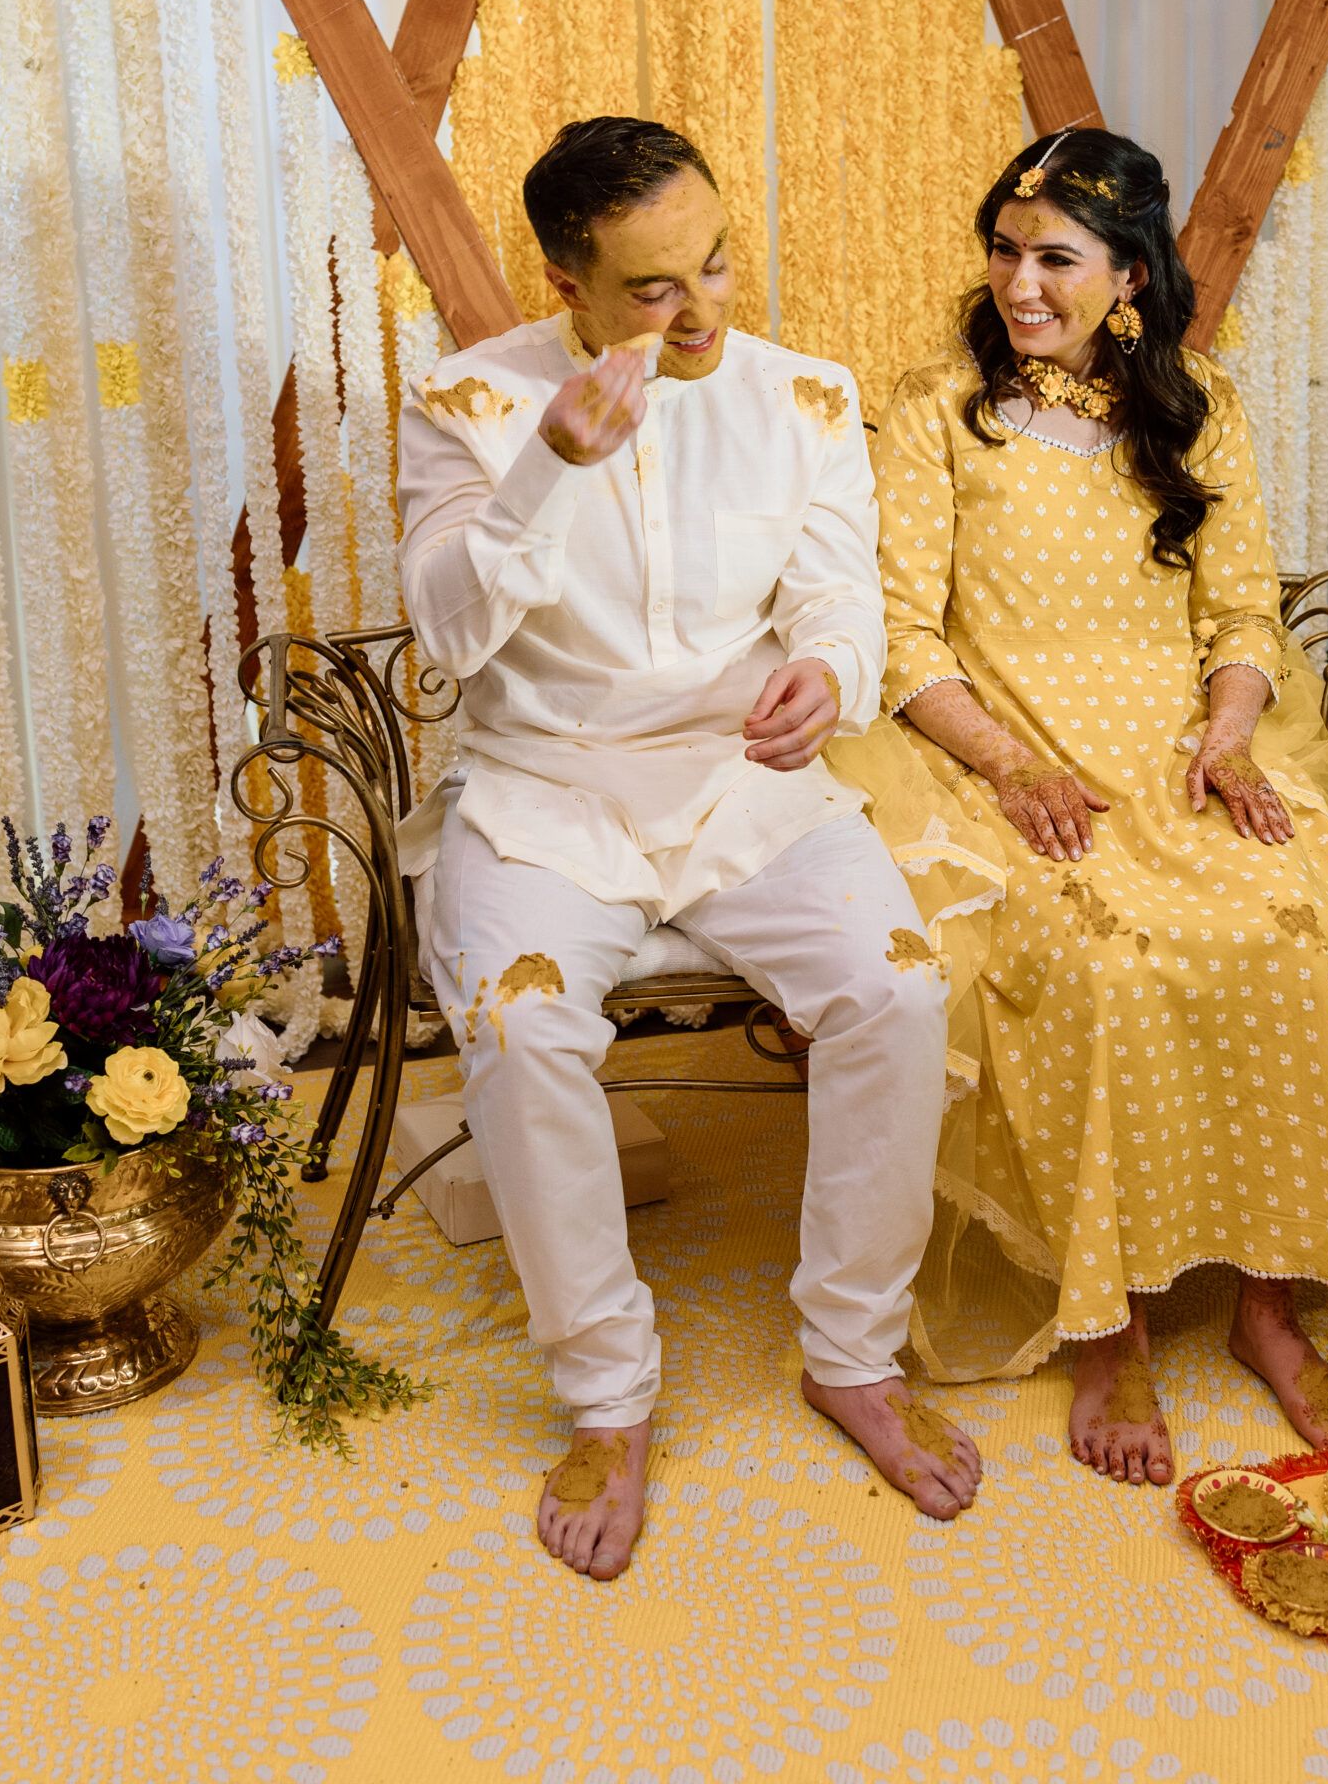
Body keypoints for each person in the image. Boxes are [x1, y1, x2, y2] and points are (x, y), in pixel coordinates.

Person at [395, 117, 981, 1580]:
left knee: (901, 991)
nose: (706, 308)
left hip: (746, 788)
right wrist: (547, 469)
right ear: (569, 285)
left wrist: (831, 681)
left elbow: (842, 598)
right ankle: (607, 1397)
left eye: (717, 261)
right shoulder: (467, 404)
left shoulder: (807, 400)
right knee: (524, 1026)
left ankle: (851, 1352)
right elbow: (450, 636)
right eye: (656, 289)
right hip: (544, 792)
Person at [864, 125, 1328, 1487]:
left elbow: (1240, 608)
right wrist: (1013, 768)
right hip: (1004, 757)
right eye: (1004, 250)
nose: (1019, 282)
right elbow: (901, 639)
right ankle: (1103, 1323)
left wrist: (1234, 740)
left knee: (1307, 923)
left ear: (1127, 276)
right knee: (1101, 967)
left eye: (1054, 257)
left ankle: (1267, 1306)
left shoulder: (1197, 406)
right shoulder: (939, 408)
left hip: (1184, 752)